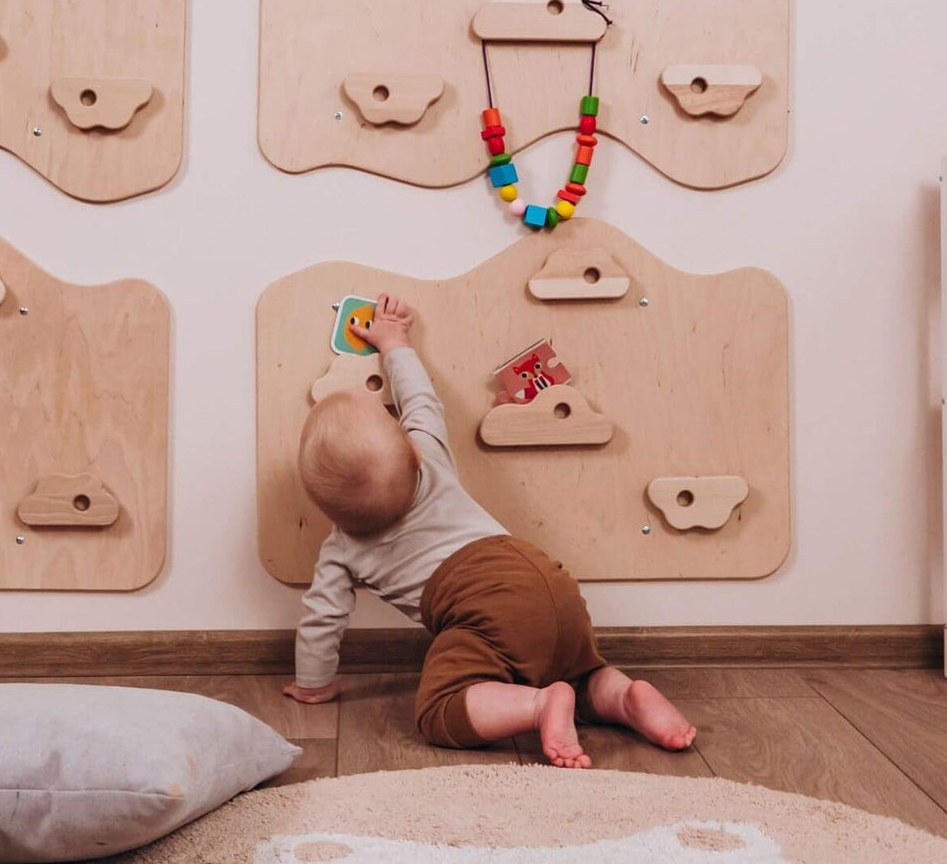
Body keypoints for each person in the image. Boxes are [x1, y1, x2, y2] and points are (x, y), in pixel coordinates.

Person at [283, 293, 696, 768]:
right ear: (412, 452)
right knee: (576, 670)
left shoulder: (341, 549)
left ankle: (540, 705)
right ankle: (624, 696)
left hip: (485, 611)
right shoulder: (430, 458)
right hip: (546, 579)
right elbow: (420, 398)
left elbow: (322, 619)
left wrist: (314, 684)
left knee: (439, 709)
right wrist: (394, 340)